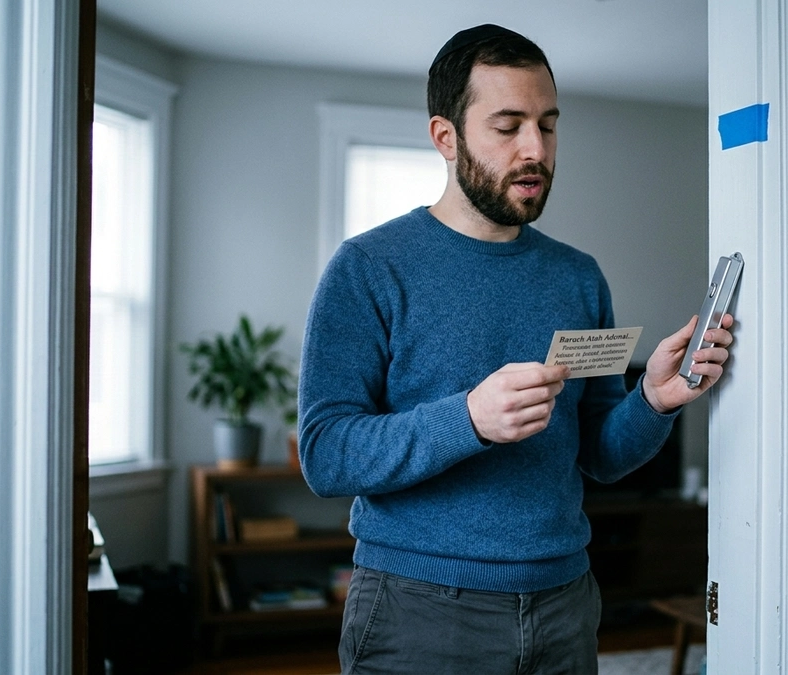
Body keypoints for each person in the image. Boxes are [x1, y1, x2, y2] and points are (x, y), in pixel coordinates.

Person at [298, 23, 734, 674]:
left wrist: (655, 399)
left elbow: (600, 454)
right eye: (508, 126)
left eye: (548, 124)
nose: (536, 148)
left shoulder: (578, 277)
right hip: (418, 610)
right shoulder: (368, 268)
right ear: (446, 137)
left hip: (565, 604)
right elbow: (326, 455)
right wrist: (468, 418)